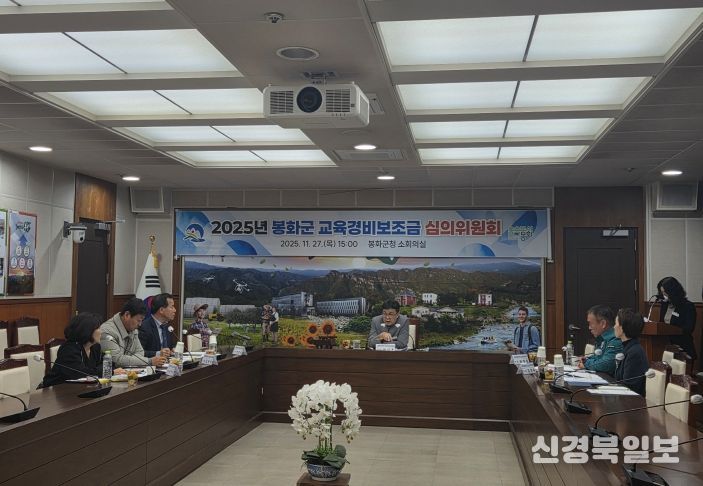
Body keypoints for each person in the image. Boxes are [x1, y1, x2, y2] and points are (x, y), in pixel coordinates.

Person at [41, 313, 104, 387]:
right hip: (55, 389)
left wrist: (101, 369)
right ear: (87, 330)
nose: (101, 331)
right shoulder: (69, 349)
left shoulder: (95, 347)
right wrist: (103, 370)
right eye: (98, 328)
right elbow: (81, 374)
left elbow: (108, 363)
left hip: (83, 388)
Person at [100, 298, 166, 368]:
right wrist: (149, 361)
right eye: (138, 320)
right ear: (127, 315)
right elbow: (117, 360)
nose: (140, 324)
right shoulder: (107, 331)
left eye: (142, 321)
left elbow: (140, 352)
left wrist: (130, 361)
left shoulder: (133, 329)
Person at [657, 276, 698, 362]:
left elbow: (689, 328)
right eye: (662, 292)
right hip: (666, 346)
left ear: (673, 292)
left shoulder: (688, 306)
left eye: (665, 293)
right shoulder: (665, 305)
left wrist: (673, 329)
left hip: (682, 347)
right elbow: (661, 324)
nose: (664, 295)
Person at [613, 308, 649, 396]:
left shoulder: (634, 352)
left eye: (616, 324)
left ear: (622, 328)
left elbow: (629, 387)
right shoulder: (628, 347)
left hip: (631, 401)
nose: (614, 327)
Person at [578, 305, 623, 375]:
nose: (589, 327)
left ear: (603, 323)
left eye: (590, 323)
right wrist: (586, 359)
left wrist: (586, 363)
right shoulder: (601, 338)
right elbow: (598, 358)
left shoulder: (615, 339)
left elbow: (606, 364)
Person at [138, 293, 176, 358]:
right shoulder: (144, 327)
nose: (175, 310)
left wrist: (172, 350)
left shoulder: (167, 327)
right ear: (161, 310)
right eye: (171, 307)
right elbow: (138, 353)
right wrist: (158, 353)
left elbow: (170, 347)